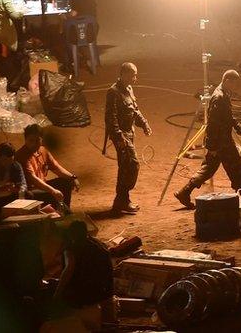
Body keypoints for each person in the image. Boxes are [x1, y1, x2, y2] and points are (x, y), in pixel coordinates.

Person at [175, 70, 241, 208]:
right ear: (227, 80)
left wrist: (237, 126)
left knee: (208, 169)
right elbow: (213, 124)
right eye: (233, 83)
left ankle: (184, 192)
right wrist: (212, 146)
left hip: (221, 139)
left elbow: (226, 116)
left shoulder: (224, 94)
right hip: (221, 141)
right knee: (237, 167)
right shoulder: (219, 97)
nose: (235, 86)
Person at [105, 62, 152, 214]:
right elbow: (110, 118)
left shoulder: (129, 89)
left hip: (129, 133)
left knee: (124, 167)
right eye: (133, 75)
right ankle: (122, 199)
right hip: (121, 135)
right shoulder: (113, 92)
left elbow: (134, 110)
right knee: (132, 165)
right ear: (124, 74)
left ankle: (121, 201)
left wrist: (144, 123)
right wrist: (119, 137)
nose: (135, 78)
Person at [52, 220, 113, 331]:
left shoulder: (71, 249)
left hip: (85, 293)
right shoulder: (99, 245)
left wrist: (57, 293)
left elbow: (68, 270)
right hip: (103, 290)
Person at [17, 124, 79, 209]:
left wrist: (72, 177)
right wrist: (53, 191)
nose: (34, 144)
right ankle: (58, 212)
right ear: (25, 140)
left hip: (42, 185)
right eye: (31, 140)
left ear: (41, 140)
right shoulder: (22, 155)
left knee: (66, 182)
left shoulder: (43, 151)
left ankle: (65, 211)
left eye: (37, 140)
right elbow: (33, 179)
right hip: (30, 191)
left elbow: (56, 168)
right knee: (52, 194)